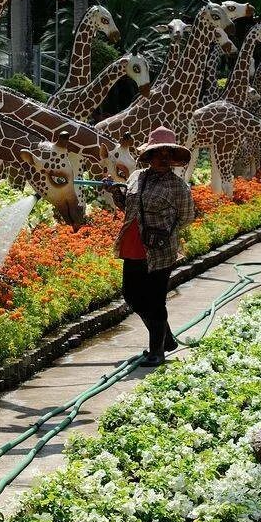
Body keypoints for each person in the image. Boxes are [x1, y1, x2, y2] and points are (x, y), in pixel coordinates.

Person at [106, 126, 194, 366]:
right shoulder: (136, 177)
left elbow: (187, 217)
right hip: (133, 245)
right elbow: (130, 207)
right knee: (131, 295)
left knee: (155, 300)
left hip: (160, 249)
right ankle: (166, 339)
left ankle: (157, 351)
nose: (163, 159)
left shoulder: (178, 186)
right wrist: (116, 194)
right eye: (158, 153)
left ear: (174, 158)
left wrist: (164, 229)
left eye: (168, 154)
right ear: (149, 156)